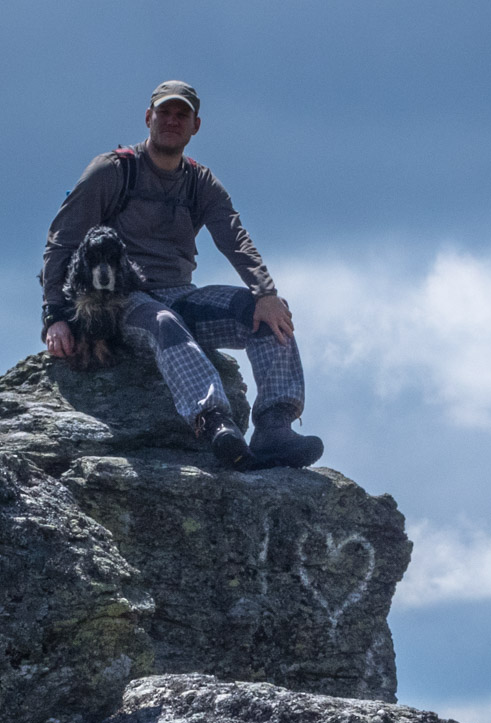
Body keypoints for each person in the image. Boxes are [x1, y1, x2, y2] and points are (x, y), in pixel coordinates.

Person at [41, 80, 322, 468]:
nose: (172, 121)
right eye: (164, 113)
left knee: (261, 313)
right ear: (148, 118)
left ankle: (275, 426)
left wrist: (266, 293)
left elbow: (235, 237)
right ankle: (215, 424)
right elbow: (61, 240)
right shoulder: (113, 171)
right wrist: (55, 316)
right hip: (121, 302)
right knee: (164, 321)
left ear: (195, 126)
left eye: (182, 115)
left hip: (180, 293)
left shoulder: (199, 182)